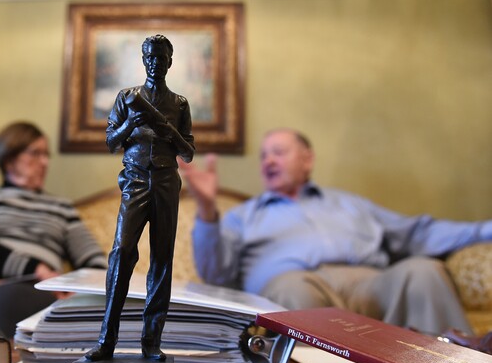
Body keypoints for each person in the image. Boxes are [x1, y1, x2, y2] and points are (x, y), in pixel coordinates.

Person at [180, 128, 492, 335]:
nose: (268, 161)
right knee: (294, 290)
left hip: (371, 283)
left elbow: (418, 233)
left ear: (307, 159)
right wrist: (207, 208)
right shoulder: (244, 216)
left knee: (423, 271)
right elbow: (215, 274)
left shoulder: (350, 203)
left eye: (278, 152)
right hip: (296, 286)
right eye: (263, 156)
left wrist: (485, 230)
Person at [85, 34, 195, 362]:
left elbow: (188, 152)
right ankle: (106, 340)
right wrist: (130, 125)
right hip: (134, 181)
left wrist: (169, 132)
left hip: (165, 182)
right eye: (150, 57)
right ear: (143, 60)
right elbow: (110, 142)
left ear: (170, 62)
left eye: (161, 58)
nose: (154, 63)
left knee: (162, 258)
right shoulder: (127, 97)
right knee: (121, 252)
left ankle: (151, 342)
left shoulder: (179, 104)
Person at [0, 121, 107, 335]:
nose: (44, 162)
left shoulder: (61, 207)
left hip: (39, 290)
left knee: (26, 302)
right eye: (35, 153)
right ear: (9, 158)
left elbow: (95, 261)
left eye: (46, 155)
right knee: (5, 301)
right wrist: (36, 269)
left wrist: (80, 292)